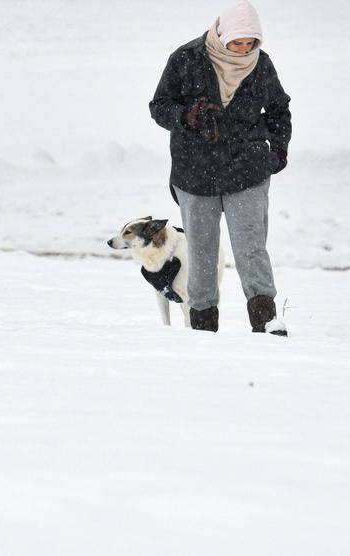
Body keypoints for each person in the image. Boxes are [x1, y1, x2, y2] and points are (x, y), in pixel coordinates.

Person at [149, 0, 291, 335]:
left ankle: (267, 321)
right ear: (221, 33)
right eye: (237, 42)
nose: (244, 50)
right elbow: (159, 106)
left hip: (248, 171)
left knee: (251, 247)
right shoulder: (186, 59)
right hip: (195, 173)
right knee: (201, 252)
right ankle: (202, 324)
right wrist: (186, 116)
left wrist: (279, 149)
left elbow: (278, 109)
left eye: (250, 43)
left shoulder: (262, 65)